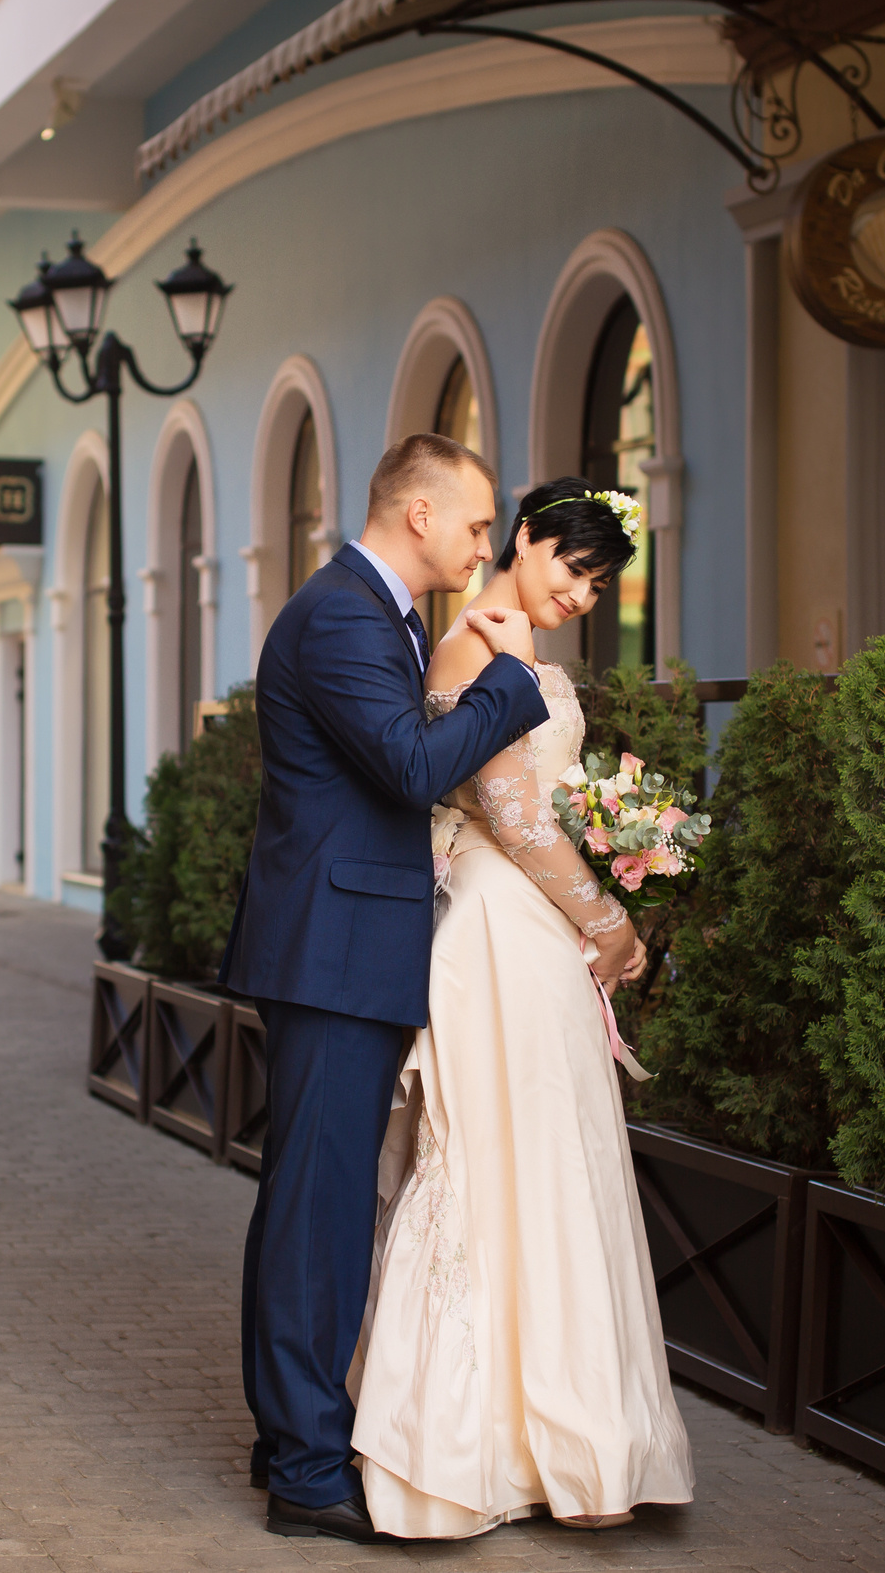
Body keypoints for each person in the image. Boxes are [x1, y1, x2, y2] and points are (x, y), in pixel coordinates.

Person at [221, 433, 559, 1544]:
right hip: (330, 948)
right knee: (317, 1209)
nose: (483, 543)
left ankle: (292, 1433)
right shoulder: (344, 618)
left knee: (314, 1203)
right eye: (472, 523)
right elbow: (411, 770)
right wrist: (510, 678)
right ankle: (309, 1472)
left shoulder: (381, 617)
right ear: (416, 515)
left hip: (345, 943)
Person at [349, 477, 695, 1539]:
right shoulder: (474, 645)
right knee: (498, 1159)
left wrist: (616, 840)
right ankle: (461, 1444)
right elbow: (506, 811)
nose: (583, 592)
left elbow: (540, 804)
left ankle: (563, 1438)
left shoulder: (523, 651)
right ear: (523, 539)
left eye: (599, 582)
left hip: (530, 923)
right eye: (571, 566)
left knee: (554, 1163)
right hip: (502, 932)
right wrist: (607, 920)